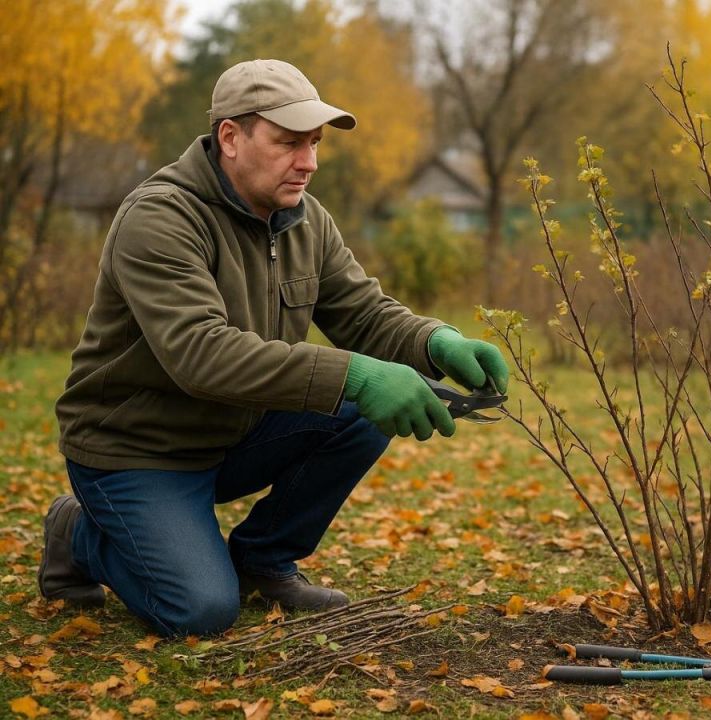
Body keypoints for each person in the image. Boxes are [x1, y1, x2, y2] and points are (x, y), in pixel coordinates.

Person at [38, 59, 508, 637]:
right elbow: (201, 353)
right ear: (230, 137)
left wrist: (436, 341)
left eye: (313, 144)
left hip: (234, 435)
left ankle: (261, 559)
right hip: (138, 450)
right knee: (200, 611)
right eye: (289, 143)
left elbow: (362, 313)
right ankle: (76, 534)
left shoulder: (305, 219)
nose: (308, 162)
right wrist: (357, 374)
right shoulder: (159, 217)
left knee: (363, 410)